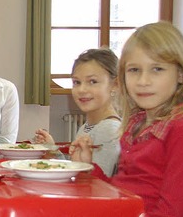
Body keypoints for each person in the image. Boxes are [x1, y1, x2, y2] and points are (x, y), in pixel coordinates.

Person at [70, 22, 183, 217]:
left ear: (180, 74)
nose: (143, 81)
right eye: (134, 70)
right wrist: (88, 168)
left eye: (157, 69)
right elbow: (122, 190)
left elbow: (171, 212)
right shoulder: (138, 125)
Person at [34, 48, 121, 176]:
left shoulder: (108, 130)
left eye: (92, 81)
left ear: (115, 85)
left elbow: (97, 185)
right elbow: (75, 170)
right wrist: (52, 149)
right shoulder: (87, 127)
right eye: (76, 82)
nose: (82, 89)